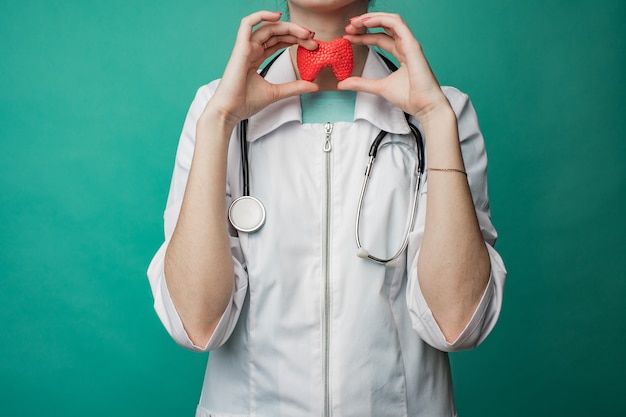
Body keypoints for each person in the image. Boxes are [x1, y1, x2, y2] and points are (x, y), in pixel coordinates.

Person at [148, 1, 506, 416]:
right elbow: (195, 325)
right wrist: (219, 121)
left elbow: (457, 324)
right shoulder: (215, 109)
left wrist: (434, 117)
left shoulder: (443, 113)